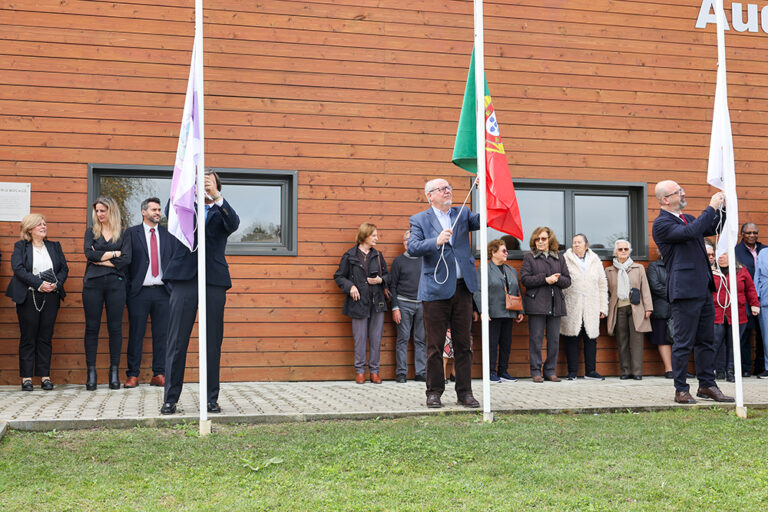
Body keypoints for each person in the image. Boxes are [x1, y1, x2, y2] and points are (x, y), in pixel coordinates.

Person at [161, 172, 240, 415]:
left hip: (213, 281)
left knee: (212, 341)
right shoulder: (184, 209)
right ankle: (170, 399)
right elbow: (169, 209)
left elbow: (234, 223)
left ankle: (210, 399)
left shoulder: (221, 212)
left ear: (217, 186)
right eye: (200, 181)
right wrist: (188, 186)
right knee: (177, 341)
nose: (203, 184)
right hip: (184, 279)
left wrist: (216, 197)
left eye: (208, 181)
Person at [651, 180, 733, 404]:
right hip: (684, 290)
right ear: (666, 199)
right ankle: (681, 389)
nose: (683, 193)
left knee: (707, 341)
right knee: (683, 342)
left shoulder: (687, 218)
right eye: (678, 192)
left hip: (703, 287)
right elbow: (691, 232)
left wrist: (724, 207)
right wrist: (711, 206)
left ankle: (707, 385)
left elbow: (709, 227)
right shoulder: (661, 223)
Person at [408, 178, 481, 408]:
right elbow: (413, 247)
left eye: (449, 187)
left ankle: (465, 392)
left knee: (464, 345)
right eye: (442, 189)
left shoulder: (463, 213)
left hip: (462, 288)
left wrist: (484, 192)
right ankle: (434, 392)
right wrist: (436, 241)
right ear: (430, 195)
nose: (447, 191)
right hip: (435, 290)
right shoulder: (419, 219)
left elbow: (485, 220)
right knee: (435, 346)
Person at [6, 214, 68, 391]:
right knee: (28, 337)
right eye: (39, 224)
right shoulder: (21, 246)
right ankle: (26, 378)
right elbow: (18, 268)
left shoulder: (54, 246)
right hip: (28, 296)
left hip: (51, 296)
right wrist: (39, 284)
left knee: (45, 337)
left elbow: (64, 268)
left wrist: (57, 284)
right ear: (30, 228)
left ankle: (45, 377)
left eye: (44, 224)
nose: (43, 226)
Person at [123, 197, 174, 389]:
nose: (158, 213)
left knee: (161, 335)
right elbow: (126, 263)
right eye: (154, 209)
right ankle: (133, 375)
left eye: (159, 210)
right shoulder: (131, 233)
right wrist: (129, 289)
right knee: (136, 334)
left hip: (163, 292)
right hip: (139, 293)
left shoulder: (168, 234)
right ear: (143, 212)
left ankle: (159, 374)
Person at [83, 196, 131, 391]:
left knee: (115, 328)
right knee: (92, 328)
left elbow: (127, 259)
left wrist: (100, 258)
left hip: (116, 284)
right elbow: (89, 254)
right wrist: (114, 254)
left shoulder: (124, 234)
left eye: (103, 210)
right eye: (97, 211)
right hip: (92, 284)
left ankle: (114, 373)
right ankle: (91, 374)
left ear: (112, 211)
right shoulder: (91, 232)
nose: (99, 214)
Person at [334, 222, 389, 384]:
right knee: (359, 338)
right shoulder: (350, 256)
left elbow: (388, 276)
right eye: (374, 236)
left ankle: (374, 372)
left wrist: (380, 280)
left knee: (375, 338)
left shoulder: (378, 256)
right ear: (364, 236)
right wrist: (350, 286)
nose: (377, 239)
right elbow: (339, 277)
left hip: (377, 303)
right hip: (358, 303)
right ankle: (359, 372)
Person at [519, 226, 571, 383]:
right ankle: (536, 371)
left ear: (550, 240)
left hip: (556, 304)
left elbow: (567, 281)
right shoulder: (529, 257)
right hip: (537, 304)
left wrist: (557, 279)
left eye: (543, 239)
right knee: (536, 339)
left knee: (554, 339)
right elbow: (525, 279)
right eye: (537, 239)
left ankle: (550, 371)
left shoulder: (559, 258)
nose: (540, 242)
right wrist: (545, 279)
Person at [473, 239, 524, 382]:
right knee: (491, 344)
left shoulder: (511, 270)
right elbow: (478, 291)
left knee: (506, 344)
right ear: (493, 252)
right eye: (503, 250)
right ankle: (490, 373)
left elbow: (517, 290)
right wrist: (483, 311)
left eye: (506, 250)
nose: (506, 253)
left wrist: (521, 311)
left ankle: (503, 371)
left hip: (509, 313)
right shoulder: (484, 269)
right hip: (492, 314)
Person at [560, 234, 607, 381]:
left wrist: (603, 307)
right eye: (574, 243)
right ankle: (572, 372)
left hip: (591, 305)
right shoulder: (565, 259)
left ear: (586, 244)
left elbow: (602, 284)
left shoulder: (595, 260)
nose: (576, 245)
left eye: (579, 242)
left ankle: (590, 371)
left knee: (590, 338)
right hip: (572, 304)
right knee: (571, 337)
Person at [605, 240, 653, 380]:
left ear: (629, 251)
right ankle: (625, 371)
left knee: (637, 341)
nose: (623, 251)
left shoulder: (638, 268)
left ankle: (637, 372)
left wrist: (648, 307)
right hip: (619, 308)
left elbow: (645, 289)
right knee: (622, 341)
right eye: (620, 249)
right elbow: (606, 292)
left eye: (626, 249)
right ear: (616, 252)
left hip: (636, 308)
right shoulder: (609, 270)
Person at [712, 252, 759, 382]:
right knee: (716, 343)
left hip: (738, 313)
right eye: (719, 254)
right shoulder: (711, 271)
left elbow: (750, 288)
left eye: (724, 254)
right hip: (717, 313)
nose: (721, 256)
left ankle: (731, 371)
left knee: (734, 344)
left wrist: (755, 304)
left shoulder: (741, 270)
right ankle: (717, 371)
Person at [389, 229, 425, 383]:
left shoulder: (426, 260)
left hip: (422, 304)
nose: (409, 243)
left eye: (413, 240)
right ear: (404, 244)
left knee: (420, 340)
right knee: (402, 339)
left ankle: (421, 373)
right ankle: (401, 373)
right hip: (403, 304)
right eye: (407, 240)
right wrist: (395, 307)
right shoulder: (398, 261)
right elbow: (393, 286)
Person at [734, 222, 766, 376]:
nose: (752, 235)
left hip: (764, 297)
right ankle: (745, 368)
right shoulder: (736, 251)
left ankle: (762, 366)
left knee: (763, 333)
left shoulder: (764, 250)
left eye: (755, 232)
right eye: (748, 233)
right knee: (745, 333)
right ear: (742, 234)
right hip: (745, 298)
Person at [646, 254, 674, 378]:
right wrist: (674, 294)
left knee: (679, 339)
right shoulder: (654, 266)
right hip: (661, 308)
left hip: (678, 309)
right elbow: (655, 286)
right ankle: (669, 369)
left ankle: (679, 369)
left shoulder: (678, 264)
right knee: (663, 339)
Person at [753, 248, 768, 378]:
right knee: (767, 337)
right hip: (765, 299)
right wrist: (756, 298)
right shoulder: (763, 253)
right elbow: (757, 276)